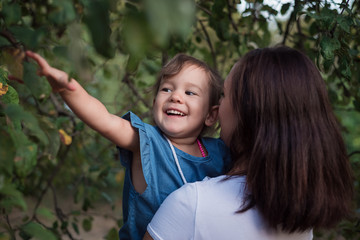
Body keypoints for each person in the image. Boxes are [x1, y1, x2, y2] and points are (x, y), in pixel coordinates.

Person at [144, 46, 354, 240]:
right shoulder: (298, 216)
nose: (218, 106)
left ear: (247, 113)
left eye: (225, 95)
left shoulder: (191, 205)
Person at [26, 52, 231, 239]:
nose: (175, 96)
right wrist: (66, 89)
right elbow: (105, 120)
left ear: (211, 115)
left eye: (190, 93)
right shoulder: (147, 141)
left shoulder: (220, 152)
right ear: (154, 103)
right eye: (166, 89)